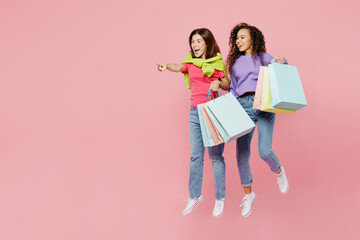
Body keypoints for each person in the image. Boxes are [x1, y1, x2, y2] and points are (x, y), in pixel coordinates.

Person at [157, 28, 230, 218]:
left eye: (198, 41)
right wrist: (166, 66)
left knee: (215, 157)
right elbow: (179, 67)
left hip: (212, 112)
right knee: (196, 156)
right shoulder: (190, 62)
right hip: (195, 113)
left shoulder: (216, 63)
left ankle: (220, 198)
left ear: (206, 43)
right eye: (192, 41)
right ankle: (194, 195)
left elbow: (227, 85)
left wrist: (217, 83)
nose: (194, 45)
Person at [226, 23, 289, 218]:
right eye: (236, 38)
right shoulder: (235, 63)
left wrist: (282, 60)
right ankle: (249, 194)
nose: (238, 41)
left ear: (253, 38)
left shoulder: (264, 57)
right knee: (241, 154)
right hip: (243, 106)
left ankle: (278, 171)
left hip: (264, 106)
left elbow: (281, 70)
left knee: (265, 151)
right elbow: (233, 89)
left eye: (242, 37)